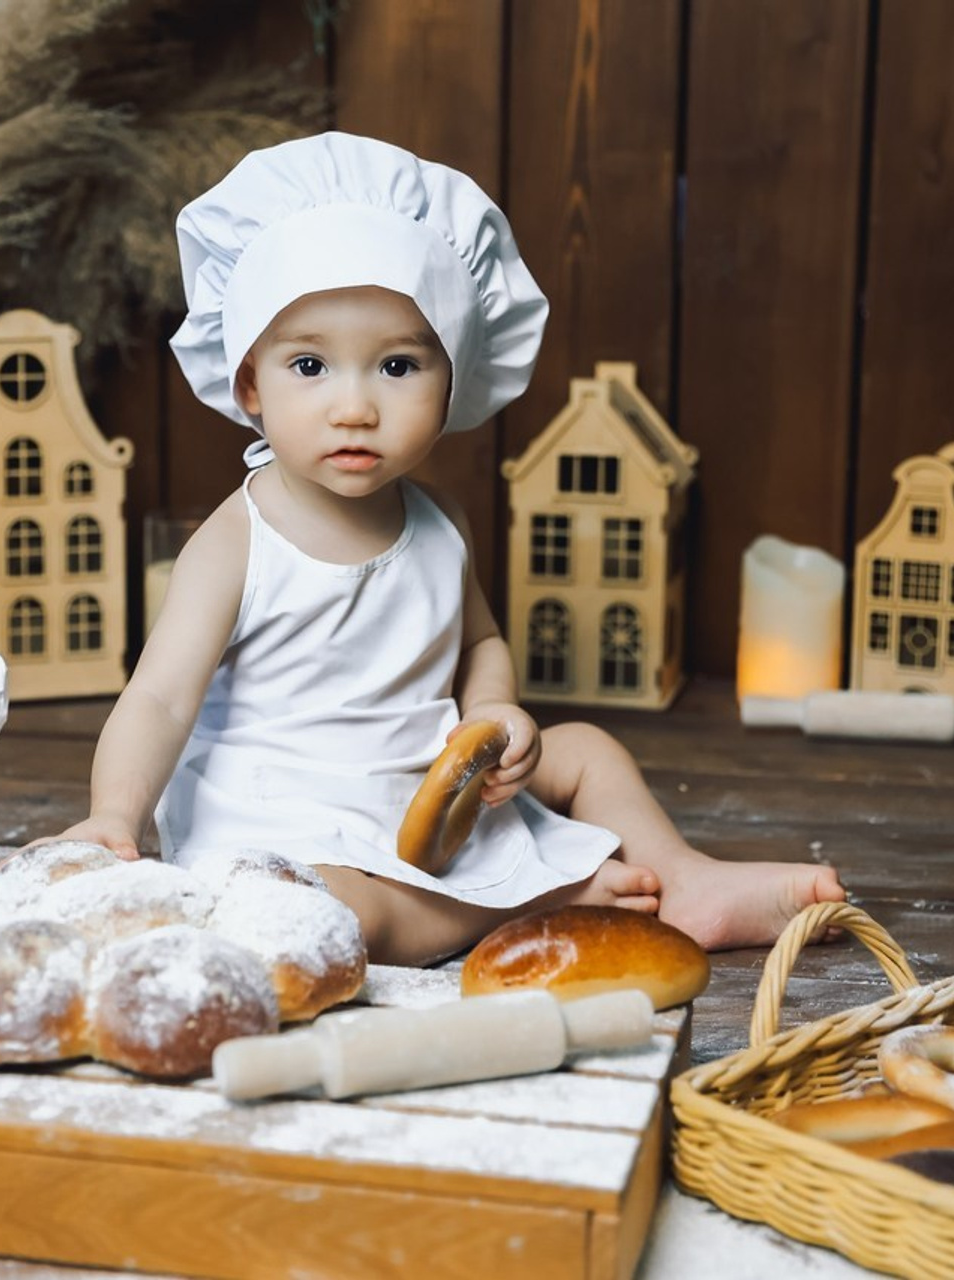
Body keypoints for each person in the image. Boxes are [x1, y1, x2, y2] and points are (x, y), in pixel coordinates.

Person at [56, 131, 844, 965]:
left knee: (587, 753)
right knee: (337, 919)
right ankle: (514, 907)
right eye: (311, 365)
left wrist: (494, 713)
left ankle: (682, 877)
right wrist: (115, 812)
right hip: (291, 809)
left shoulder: (439, 522)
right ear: (250, 382)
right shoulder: (237, 539)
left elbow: (480, 642)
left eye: (397, 366)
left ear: (453, 379)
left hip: (424, 778)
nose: (354, 406)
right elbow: (160, 702)